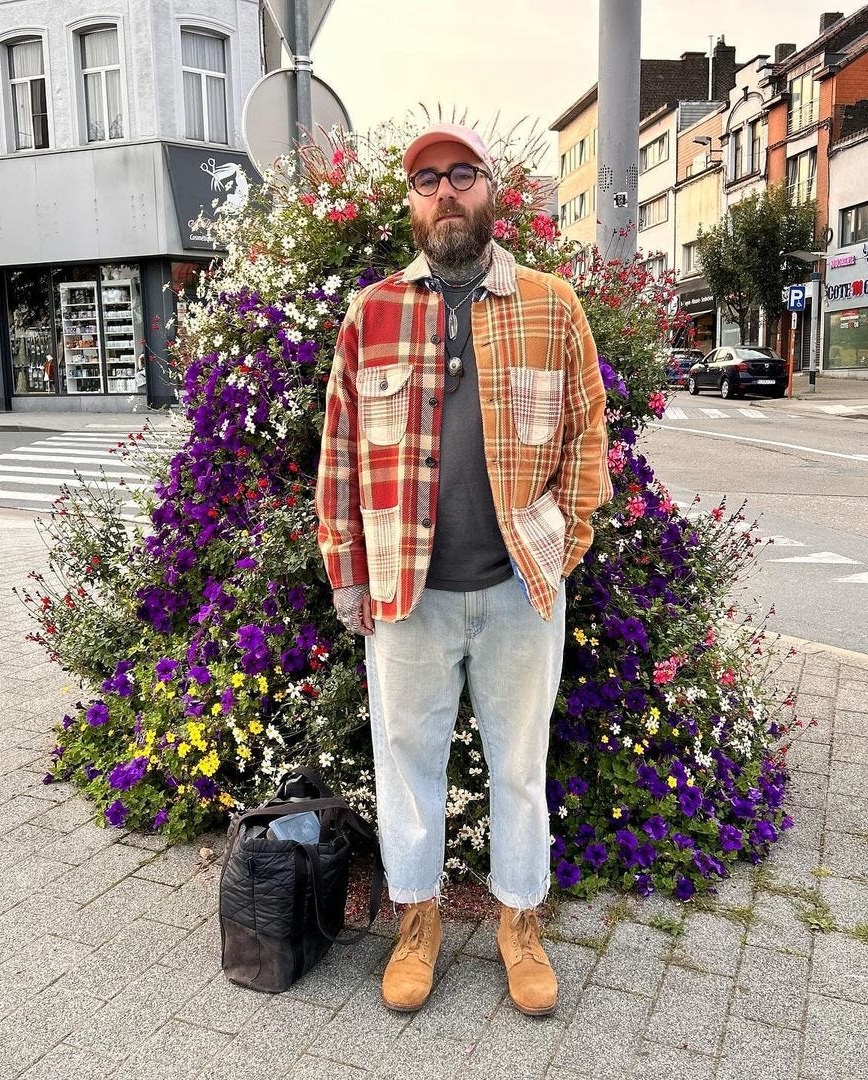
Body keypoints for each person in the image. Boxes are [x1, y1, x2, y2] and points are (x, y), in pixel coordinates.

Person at [315, 123, 612, 1016]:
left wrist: (569, 542)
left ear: (491, 191)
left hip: (522, 587)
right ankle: (419, 923)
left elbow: (589, 431)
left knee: (519, 764)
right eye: (426, 181)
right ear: (411, 204)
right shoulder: (371, 315)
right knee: (407, 763)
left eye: (462, 176)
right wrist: (348, 575)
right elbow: (338, 454)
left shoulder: (552, 304)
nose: (445, 192)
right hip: (409, 597)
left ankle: (520, 923)